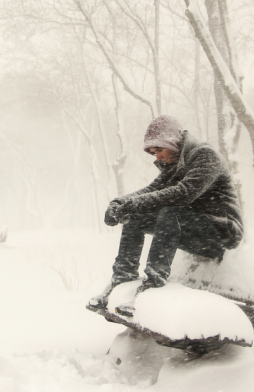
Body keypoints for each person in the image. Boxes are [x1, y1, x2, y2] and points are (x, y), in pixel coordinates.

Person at [88, 115, 243, 316]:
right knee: (136, 215)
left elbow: (184, 193)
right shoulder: (175, 163)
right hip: (194, 229)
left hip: (222, 232)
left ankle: (153, 284)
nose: (157, 157)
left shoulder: (205, 156)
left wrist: (133, 203)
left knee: (170, 210)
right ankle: (122, 279)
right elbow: (151, 189)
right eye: (153, 153)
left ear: (173, 142)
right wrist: (120, 203)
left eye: (159, 150)